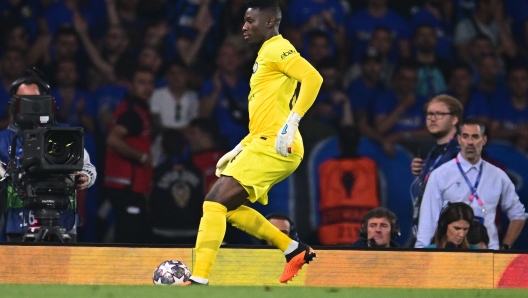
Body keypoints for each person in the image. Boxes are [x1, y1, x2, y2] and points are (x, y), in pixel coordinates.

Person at [185, 0, 323, 286]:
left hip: (275, 143)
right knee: (228, 209)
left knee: (212, 203)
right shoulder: (265, 53)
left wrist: (293, 121)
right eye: (244, 21)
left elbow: (312, 77)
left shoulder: (277, 48)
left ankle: (199, 278)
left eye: (250, 21)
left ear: (270, 22)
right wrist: (239, 148)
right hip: (261, 141)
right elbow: (266, 112)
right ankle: (293, 250)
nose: (244, 27)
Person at [0, 68, 97, 242]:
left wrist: (85, 177)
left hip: (63, 222)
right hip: (18, 223)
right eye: (23, 101)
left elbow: (88, 167)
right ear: (14, 105)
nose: (31, 106)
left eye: (35, 100)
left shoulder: (65, 134)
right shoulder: (3, 140)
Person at [416, 118, 527, 249]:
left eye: (475, 137)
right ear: (459, 139)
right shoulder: (440, 175)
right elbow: (427, 220)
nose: (469, 142)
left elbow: (518, 214)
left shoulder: (498, 175)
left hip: (488, 255)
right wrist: (422, 253)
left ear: (484, 140)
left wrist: (505, 248)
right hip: (449, 255)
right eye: (465, 136)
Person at [103, 68, 155, 244]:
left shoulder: (134, 108)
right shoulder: (133, 113)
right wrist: (142, 157)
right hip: (127, 185)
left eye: (150, 83)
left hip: (125, 184)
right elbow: (113, 139)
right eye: (141, 82)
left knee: (133, 234)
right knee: (130, 238)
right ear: (131, 85)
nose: (146, 87)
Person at [411, 94, 464, 239]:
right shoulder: (434, 151)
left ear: (454, 119)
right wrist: (422, 173)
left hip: (449, 237)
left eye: (439, 114)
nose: (432, 118)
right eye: (429, 114)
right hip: (431, 233)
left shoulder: (461, 152)